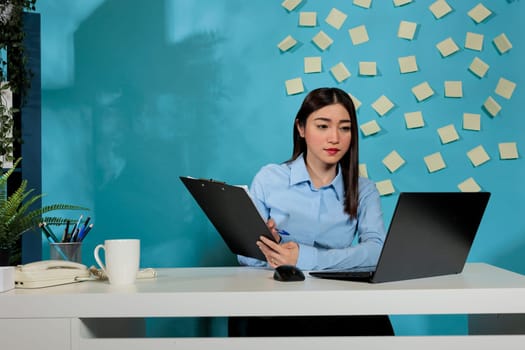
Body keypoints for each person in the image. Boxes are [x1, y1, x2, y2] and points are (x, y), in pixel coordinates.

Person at [229, 87, 394, 337]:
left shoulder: (365, 190)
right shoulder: (269, 178)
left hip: (341, 304)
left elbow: (377, 252)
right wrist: (266, 245)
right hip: (277, 303)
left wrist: (305, 258)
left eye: (345, 128)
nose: (335, 138)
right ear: (301, 128)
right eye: (323, 126)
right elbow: (246, 258)